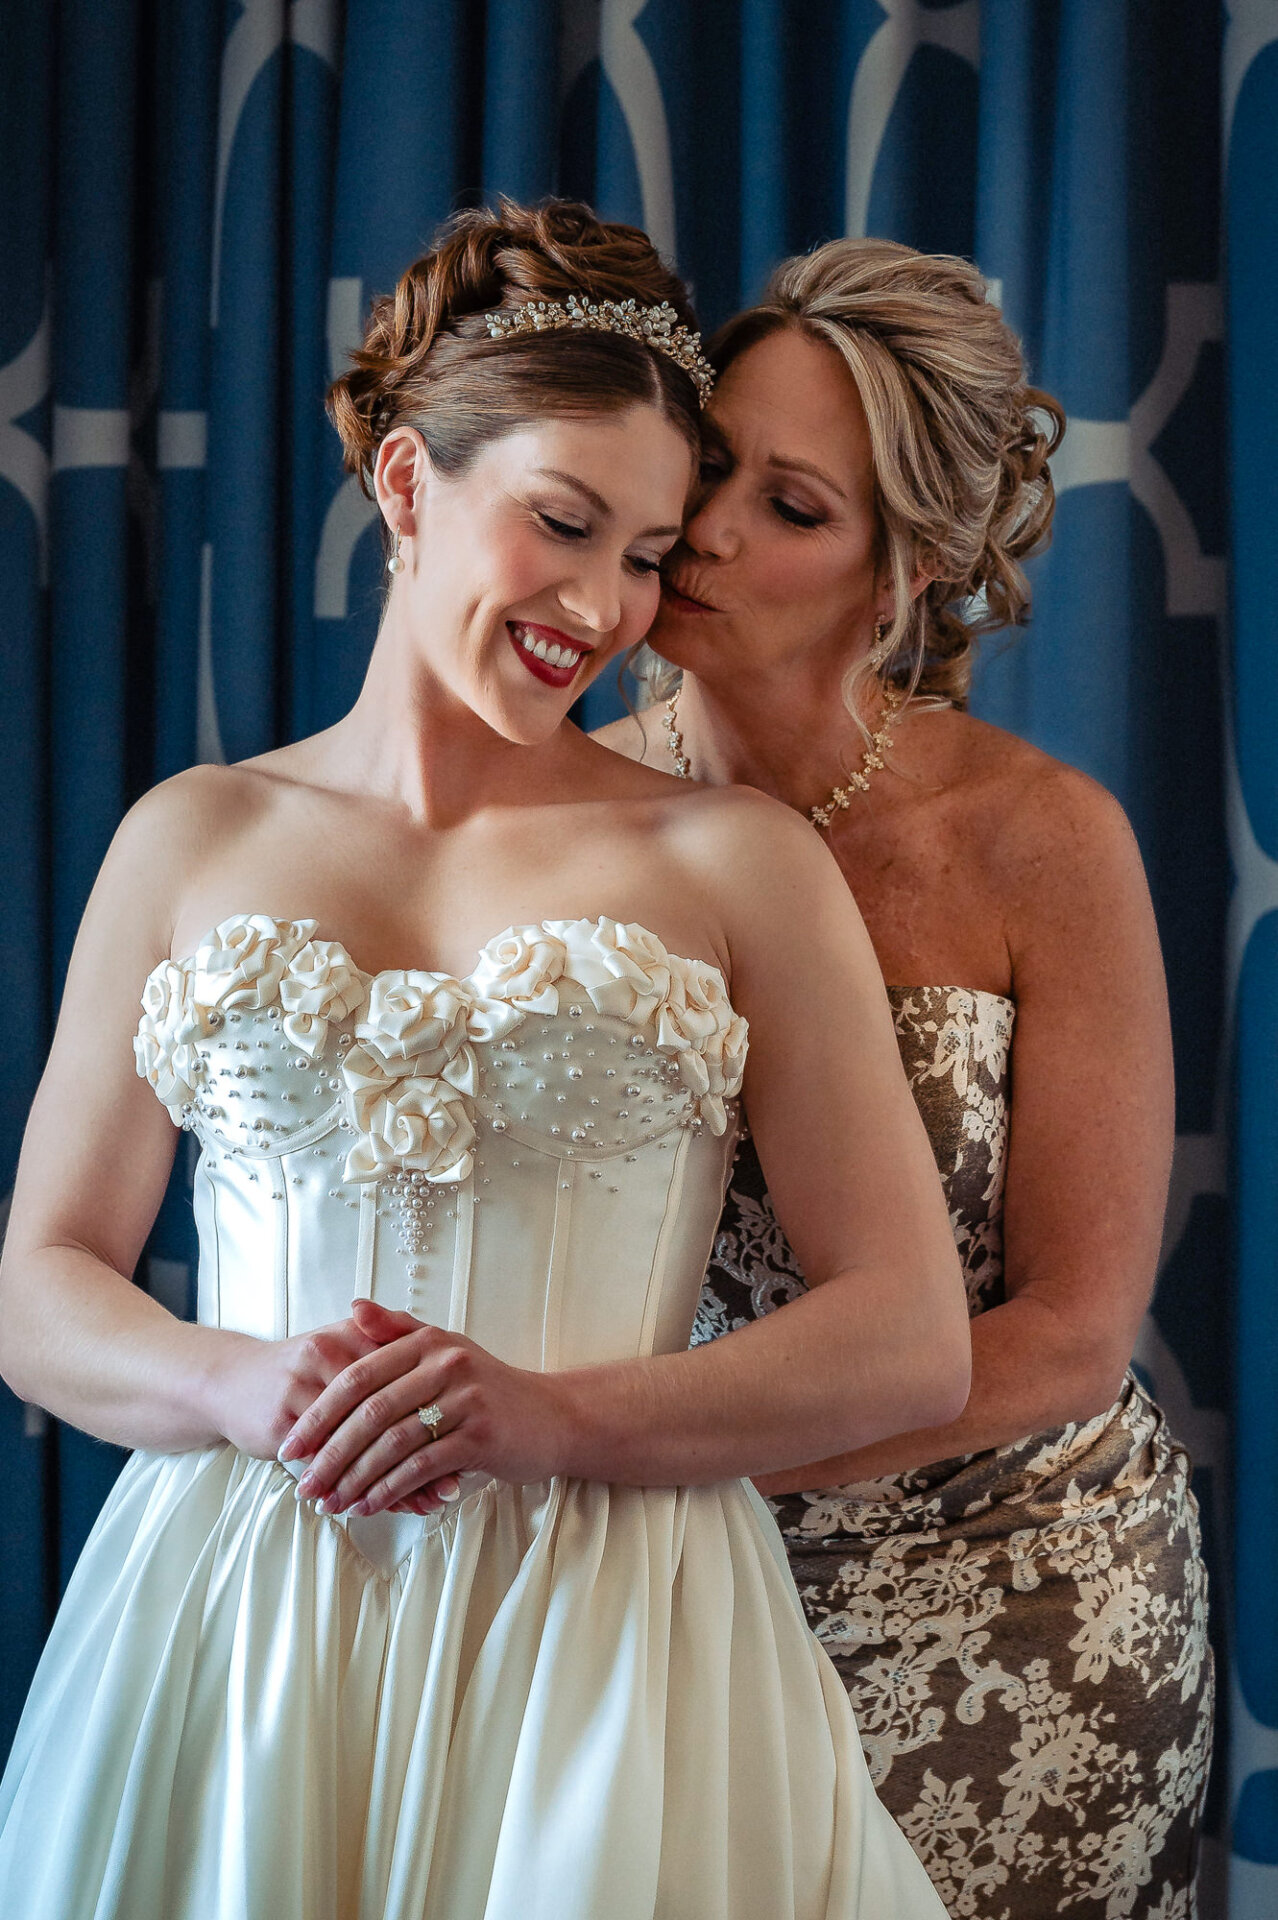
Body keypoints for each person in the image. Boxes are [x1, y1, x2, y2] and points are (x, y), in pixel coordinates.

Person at [0, 201, 970, 1920]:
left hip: (615, 1635)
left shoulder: (732, 862)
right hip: (241, 1634)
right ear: (403, 486)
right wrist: (237, 1386)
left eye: (651, 553)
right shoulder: (190, 837)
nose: (603, 604)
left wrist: (546, 1414)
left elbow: (906, 1337)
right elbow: (40, 1290)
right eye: (562, 523)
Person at [597, 237, 1214, 1920]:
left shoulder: (1037, 840)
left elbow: (1073, 1331)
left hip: (1017, 1604)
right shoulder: (552, 813)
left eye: (791, 508)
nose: (709, 528)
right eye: (709, 462)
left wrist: (651, 1456)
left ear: (907, 569)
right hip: (650, 1587)